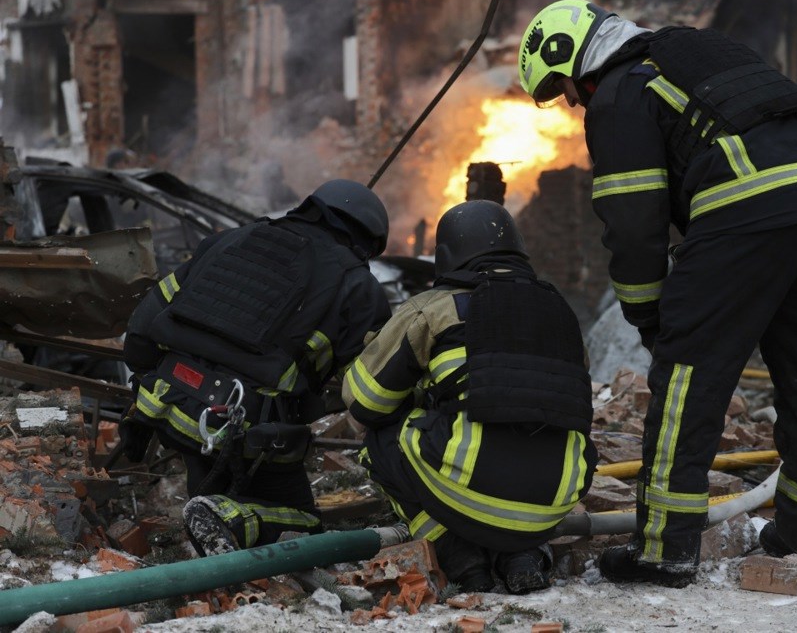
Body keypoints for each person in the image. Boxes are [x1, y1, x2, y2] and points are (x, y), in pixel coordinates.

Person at [518, 0, 797, 587]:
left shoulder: (622, 92)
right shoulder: (691, 50)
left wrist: (651, 317)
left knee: (687, 378)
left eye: (564, 89)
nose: (573, 103)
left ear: (574, 58)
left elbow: (633, 220)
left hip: (745, 207)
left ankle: (663, 550)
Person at [119, 179, 392, 556]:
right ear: (366, 240)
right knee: (302, 520)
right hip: (244, 430)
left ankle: (211, 518)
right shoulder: (359, 286)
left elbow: (141, 328)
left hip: (165, 403)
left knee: (211, 481)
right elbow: (371, 393)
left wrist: (147, 384)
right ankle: (229, 518)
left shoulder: (231, 239)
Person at [343, 200, 598, 594]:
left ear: (445, 257)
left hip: (467, 489)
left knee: (380, 439)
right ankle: (523, 553)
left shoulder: (434, 309)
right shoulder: (562, 314)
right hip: (556, 497)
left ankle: (459, 557)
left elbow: (364, 402)